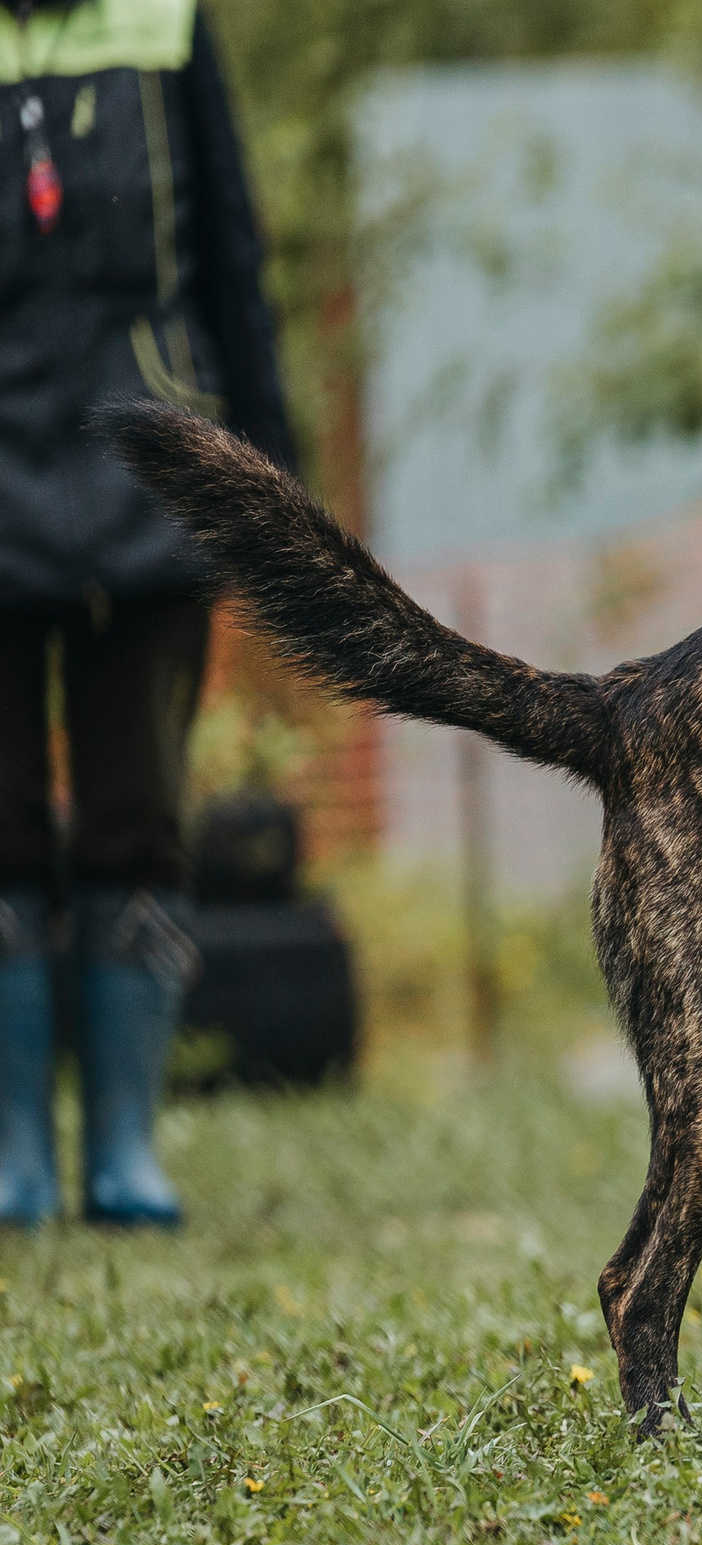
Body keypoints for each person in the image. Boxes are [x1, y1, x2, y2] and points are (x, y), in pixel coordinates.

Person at [1, 0, 296, 1226]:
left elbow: (231, 253)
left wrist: (267, 480)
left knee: (138, 813)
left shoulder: (167, 22)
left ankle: (124, 1148)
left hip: (154, 473)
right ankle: (15, 1151)